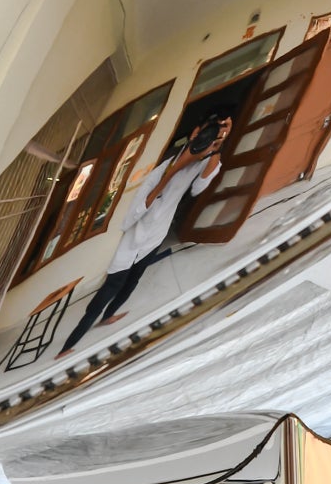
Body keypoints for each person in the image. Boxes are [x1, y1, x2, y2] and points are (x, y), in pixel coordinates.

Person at [59, 115, 232, 353]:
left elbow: (198, 188)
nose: (207, 143)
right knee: (112, 286)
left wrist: (219, 146)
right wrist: (172, 172)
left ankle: (108, 317)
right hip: (134, 235)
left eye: (212, 140)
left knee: (134, 280)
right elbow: (137, 211)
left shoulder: (201, 163)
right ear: (195, 134)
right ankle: (69, 345)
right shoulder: (163, 167)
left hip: (156, 235)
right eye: (205, 137)